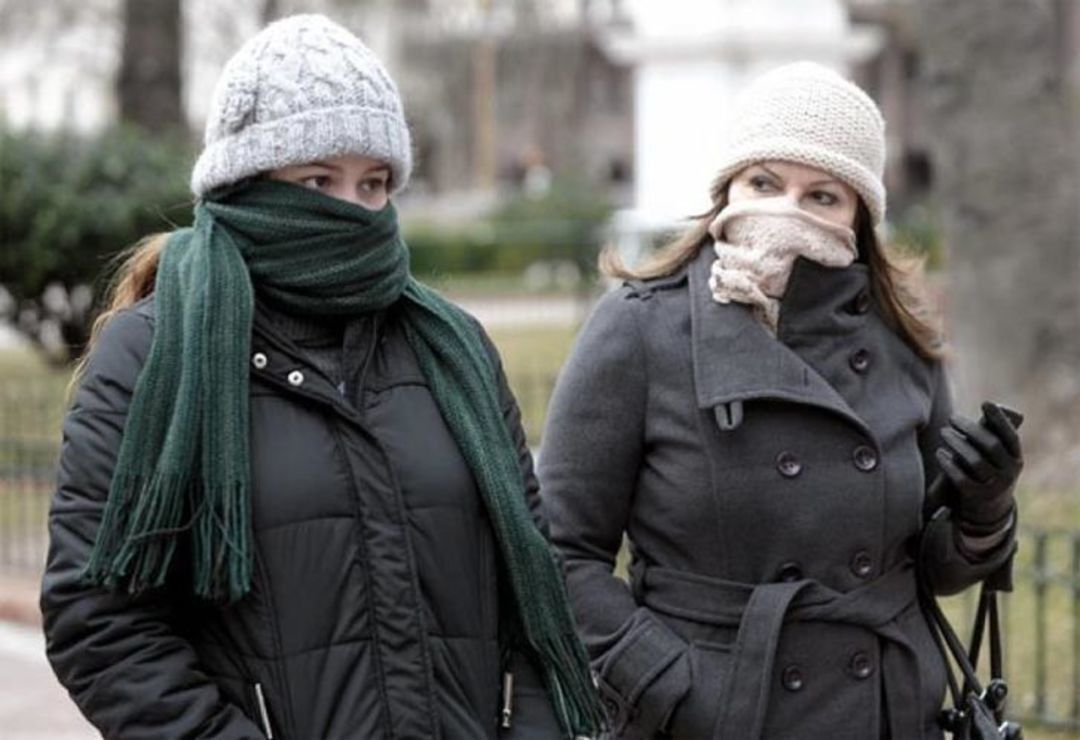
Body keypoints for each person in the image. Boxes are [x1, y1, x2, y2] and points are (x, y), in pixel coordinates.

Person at [40, 14, 602, 740]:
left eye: (373, 183)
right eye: (317, 179)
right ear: (247, 185)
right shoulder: (152, 357)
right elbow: (101, 621)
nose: (351, 210)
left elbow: (533, 581)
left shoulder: (454, 349)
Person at [538, 62, 1022, 740]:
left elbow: (931, 569)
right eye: (765, 183)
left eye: (822, 195)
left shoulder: (902, 340)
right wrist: (668, 684)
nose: (787, 212)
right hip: (718, 716)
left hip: (885, 713)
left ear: (858, 215)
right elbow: (559, 551)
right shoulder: (640, 328)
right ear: (727, 189)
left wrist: (984, 510)